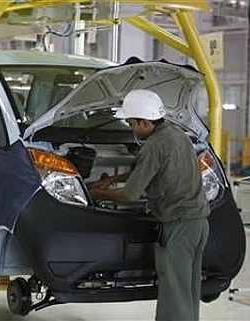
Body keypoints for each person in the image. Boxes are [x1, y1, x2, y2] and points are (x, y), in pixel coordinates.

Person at [89, 89, 210, 321]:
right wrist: (112, 180)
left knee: (174, 295)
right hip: (199, 224)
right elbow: (147, 170)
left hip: (179, 227)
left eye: (132, 123)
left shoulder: (154, 145)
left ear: (144, 122)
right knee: (187, 292)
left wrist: (99, 196)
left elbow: (131, 194)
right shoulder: (178, 135)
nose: (131, 129)